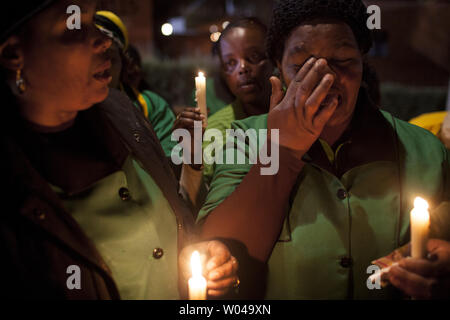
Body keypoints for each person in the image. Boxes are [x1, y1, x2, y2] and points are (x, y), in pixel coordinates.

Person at [198, 0, 450, 299]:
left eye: (342, 59)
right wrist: (283, 151)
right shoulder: (243, 139)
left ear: (362, 61)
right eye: (302, 64)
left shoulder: (425, 151)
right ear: (278, 67)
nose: (326, 77)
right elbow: (221, 250)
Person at [0, 0, 238, 299]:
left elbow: (170, 217)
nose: (102, 39)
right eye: (74, 27)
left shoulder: (123, 114)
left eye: (94, 21)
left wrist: (189, 253)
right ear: (14, 54)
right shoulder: (10, 181)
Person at [95, 11, 179, 158]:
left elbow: (169, 166)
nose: (103, 67)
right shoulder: (64, 109)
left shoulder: (150, 106)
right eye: (95, 57)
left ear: (123, 63)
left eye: (111, 58)